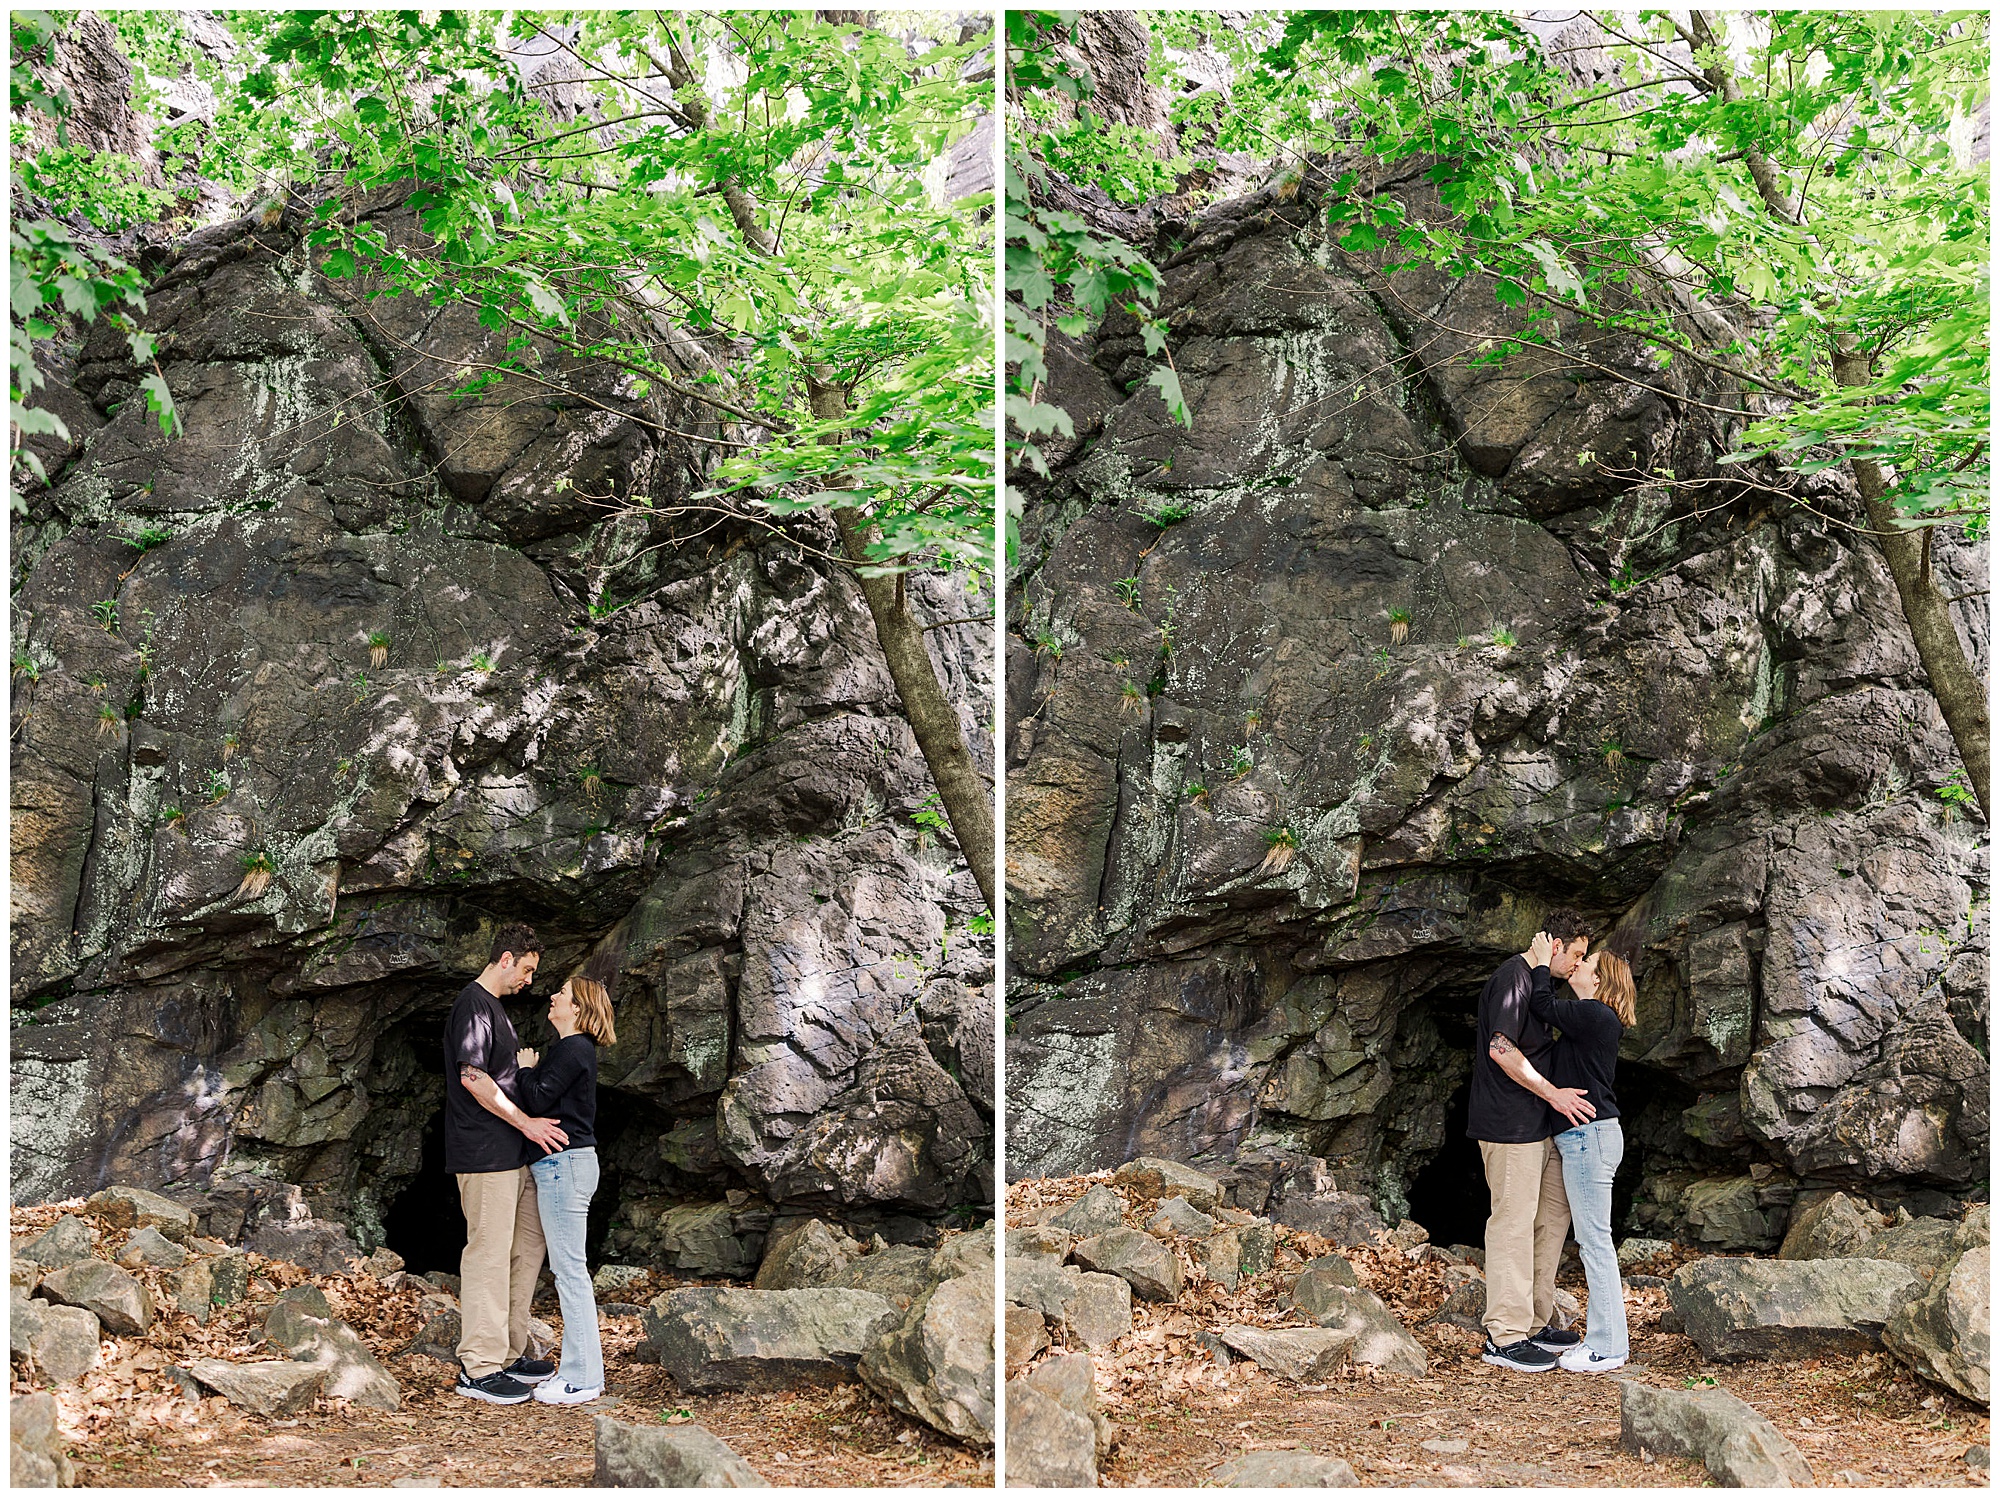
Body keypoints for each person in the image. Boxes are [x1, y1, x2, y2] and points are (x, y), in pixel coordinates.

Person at [471, 974, 615, 1406]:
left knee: (570, 1272)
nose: (553, 996)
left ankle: (582, 1377)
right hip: (567, 1166)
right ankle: (580, 1371)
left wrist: (527, 1068)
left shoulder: (573, 1048)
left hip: (563, 1165)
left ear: (578, 1008)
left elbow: (534, 1098)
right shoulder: (573, 1049)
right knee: (570, 1270)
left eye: (563, 994)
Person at [1468, 906, 1597, 1373]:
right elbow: (1500, 1048)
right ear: (1556, 946)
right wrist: (1554, 1094)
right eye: (1577, 955)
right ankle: (1504, 1335)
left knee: (1549, 1221)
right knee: (1513, 1222)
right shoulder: (1513, 977)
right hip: (1509, 1125)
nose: (1579, 967)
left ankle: (1535, 1323)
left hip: (1540, 1126)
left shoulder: (1539, 982)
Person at [444, 924, 567, 1404]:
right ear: (506, 958)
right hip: (484, 1152)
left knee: (522, 1253)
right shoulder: (473, 1005)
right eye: (528, 970)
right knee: (489, 1255)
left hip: (510, 1155)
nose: (530, 981)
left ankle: (510, 1354)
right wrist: (528, 1123)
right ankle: (479, 1367)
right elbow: (473, 1077)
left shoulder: (496, 1010)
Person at [1527, 936, 1636, 1373]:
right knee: (1594, 1242)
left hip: (1589, 1137)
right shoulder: (1593, 1019)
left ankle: (1607, 1346)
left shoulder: (1594, 1014)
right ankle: (1608, 1342)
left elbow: (1541, 1005)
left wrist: (1539, 961)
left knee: (1595, 1243)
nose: (1578, 965)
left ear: (1600, 977)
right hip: (1589, 1137)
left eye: (1585, 962)